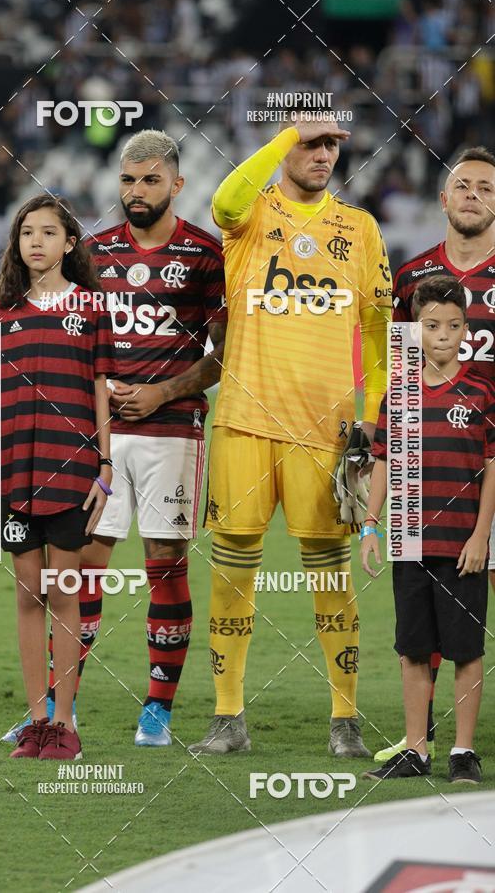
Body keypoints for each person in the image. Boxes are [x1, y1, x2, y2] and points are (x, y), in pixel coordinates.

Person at [5, 130, 227, 747]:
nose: (137, 191)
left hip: (171, 431)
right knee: (81, 569)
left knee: (164, 562)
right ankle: (53, 711)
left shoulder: (206, 255)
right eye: (128, 180)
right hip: (94, 436)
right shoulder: (93, 253)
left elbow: (226, 355)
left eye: (150, 180)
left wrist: (164, 390)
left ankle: (157, 708)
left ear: (177, 185)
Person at [188, 113, 392, 756]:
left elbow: (381, 336)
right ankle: (227, 718)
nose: (323, 154)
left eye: (332, 144)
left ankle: (345, 720)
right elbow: (223, 199)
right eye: (312, 144)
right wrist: (286, 134)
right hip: (244, 423)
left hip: (324, 432)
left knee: (331, 575)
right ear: (286, 149)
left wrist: (375, 416)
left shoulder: (359, 230)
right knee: (231, 574)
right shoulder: (249, 219)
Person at [375, 145, 495, 763]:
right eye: (463, 185)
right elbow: (401, 371)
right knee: (431, 615)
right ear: (443, 198)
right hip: (438, 469)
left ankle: (467, 740)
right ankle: (425, 742)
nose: (473, 194)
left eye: (486, 187)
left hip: (485, 452)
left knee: (474, 609)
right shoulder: (412, 278)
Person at [0, 193, 114, 759]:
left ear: (69, 242)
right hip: (16, 475)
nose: (35, 241)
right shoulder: (0, 313)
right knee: (25, 598)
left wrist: (104, 468)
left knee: (63, 594)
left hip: (70, 472)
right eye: (26, 233)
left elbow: (100, 391)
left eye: (47, 232)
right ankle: (36, 722)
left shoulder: (90, 308)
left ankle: (65, 724)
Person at [361, 276, 495, 783]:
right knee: (413, 648)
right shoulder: (398, 391)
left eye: (454, 325)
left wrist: (483, 535)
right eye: (432, 325)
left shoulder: (482, 389)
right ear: (414, 331)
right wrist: (370, 526)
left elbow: (492, 465)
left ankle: (463, 751)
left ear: (467, 328)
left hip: (463, 543)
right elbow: (382, 461)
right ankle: (416, 751)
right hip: (409, 537)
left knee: (466, 648)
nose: (443, 334)